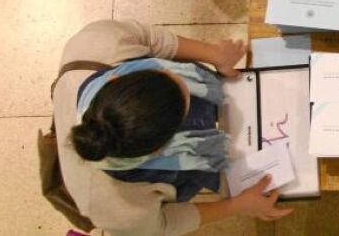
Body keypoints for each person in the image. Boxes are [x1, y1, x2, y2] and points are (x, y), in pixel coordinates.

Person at [55, 20, 291, 235]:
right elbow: (164, 224)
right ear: (162, 150)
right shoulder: (113, 207)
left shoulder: (95, 42)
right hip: (172, 170)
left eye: (166, 73)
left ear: (115, 78)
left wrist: (215, 55)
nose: (184, 82)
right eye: (186, 108)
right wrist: (237, 206)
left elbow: (151, 38)